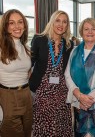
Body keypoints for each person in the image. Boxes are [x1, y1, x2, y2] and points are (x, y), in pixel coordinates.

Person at [29, 10, 74, 136]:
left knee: (60, 124)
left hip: (61, 90)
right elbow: (30, 63)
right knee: (44, 124)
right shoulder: (39, 40)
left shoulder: (69, 45)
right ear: (52, 22)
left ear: (67, 25)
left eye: (64, 22)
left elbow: (70, 69)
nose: (61, 24)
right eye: (58, 20)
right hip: (43, 90)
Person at [0, 9, 32, 137]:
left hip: (26, 94)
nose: (17, 26)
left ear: (24, 25)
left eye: (20, 22)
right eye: (11, 23)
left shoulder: (26, 47)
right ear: (5, 27)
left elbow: (27, 72)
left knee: (27, 131)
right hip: (7, 96)